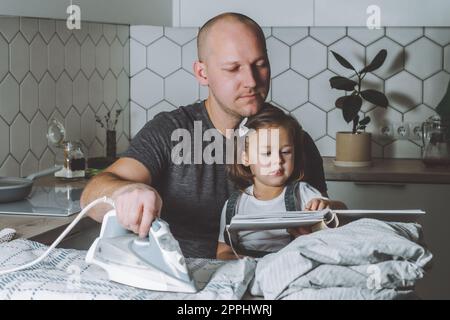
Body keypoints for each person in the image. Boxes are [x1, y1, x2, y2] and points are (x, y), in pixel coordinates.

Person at [80, 12, 345, 259]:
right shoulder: (171, 130)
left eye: (260, 65)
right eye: (233, 68)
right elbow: (91, 195)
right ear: (202, 73)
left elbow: (329, 220)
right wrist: (126, 191)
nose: (251, 80)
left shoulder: (293, 140)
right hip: (186, 284)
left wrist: (323, 222)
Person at [217, 105, 342, 260]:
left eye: (285, 152)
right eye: (267, 153)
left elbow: (341, 218)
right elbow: (223, 252)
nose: (278, 160)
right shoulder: (234, 205)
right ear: (245, 158)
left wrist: (329, 206)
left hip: (293, 267)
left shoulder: (303, 193)